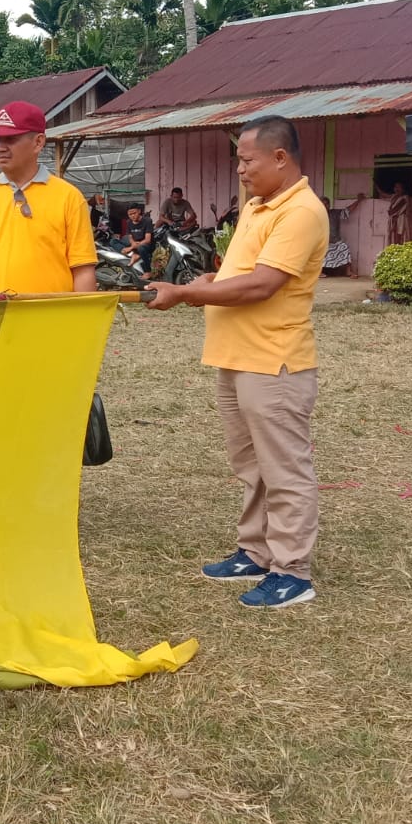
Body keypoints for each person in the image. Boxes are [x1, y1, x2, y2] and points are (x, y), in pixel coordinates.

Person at [145, 115, 328, 610]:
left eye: (247, 159)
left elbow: (262, 284)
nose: (241, 168)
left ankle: (292, 571)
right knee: (251, 466)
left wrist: (185, 294)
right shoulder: (256, 207)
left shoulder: (302, 212)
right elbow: (239, 273)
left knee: (284, 469)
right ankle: (256, 550)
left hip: (274, 362)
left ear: (280, 158)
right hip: (237, 356)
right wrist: (205, 281)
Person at [0, 101, 98, 295]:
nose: (0, 148)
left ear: (38, 142)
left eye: (10, 139)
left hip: (50, 318)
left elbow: (83, 269)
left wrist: (81, 320)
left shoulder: (69, 197)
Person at [320, 196, 355, 276]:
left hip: (336, 242)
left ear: (329, 205)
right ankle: (319, 272)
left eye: (327, 204)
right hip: (322, 243)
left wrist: (359, 200)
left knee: (344, 247)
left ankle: (348, 271)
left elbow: (347, 211)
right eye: (323, 204)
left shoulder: (334, 213)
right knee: (318, 251)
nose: (325, 206)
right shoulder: (316, 215)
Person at [122, 202, 155, 274]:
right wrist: (133, 244)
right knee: (114, 241)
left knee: (141, 248)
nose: (132, 216)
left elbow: (148, 240)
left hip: (146, 245)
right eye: (130, 214)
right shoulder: (129, 222)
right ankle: (135, 254)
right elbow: (130, 237)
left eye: (134, 213)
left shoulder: (147, 221)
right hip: (135, 243)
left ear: (139, 211)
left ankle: (148, 272)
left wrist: (131, 247)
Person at [381, 181, 411, 245]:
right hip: (392, 219)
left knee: (400, 236)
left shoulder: (405, 197)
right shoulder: (393, 196)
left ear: (403, 189)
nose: (397, 189)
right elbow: (382, 194)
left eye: (399, 187)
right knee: (392, 236)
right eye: (395, 187)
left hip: (401, 219)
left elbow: (406, 210)